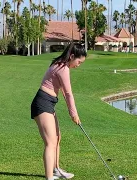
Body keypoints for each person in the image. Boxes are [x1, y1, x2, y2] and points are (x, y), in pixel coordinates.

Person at [31, 43, 87, 180]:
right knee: (50, 142)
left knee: (57, 138)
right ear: (72, 56)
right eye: (79, 62)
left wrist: (72, 112)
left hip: (48, 102)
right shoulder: (63, 68)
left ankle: (56, 170)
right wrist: (73, 114)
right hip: (42, 102)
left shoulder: (59, 64)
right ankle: (49, 177)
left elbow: (62, 90)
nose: (78, 65)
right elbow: (68, 94)